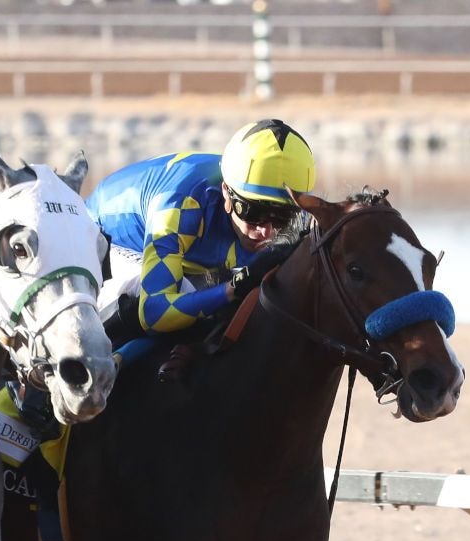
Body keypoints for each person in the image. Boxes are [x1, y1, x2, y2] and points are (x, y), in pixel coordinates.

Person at [86, 118, 316, 380]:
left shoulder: (289, 219)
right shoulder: (183, 204)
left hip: (186, 252)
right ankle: (94, 371)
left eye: (283, 217)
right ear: (227, 194)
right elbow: (154, 312)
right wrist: (231, 290)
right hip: (106, 237)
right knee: (186, 292)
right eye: (254, 212)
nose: (267, 231)